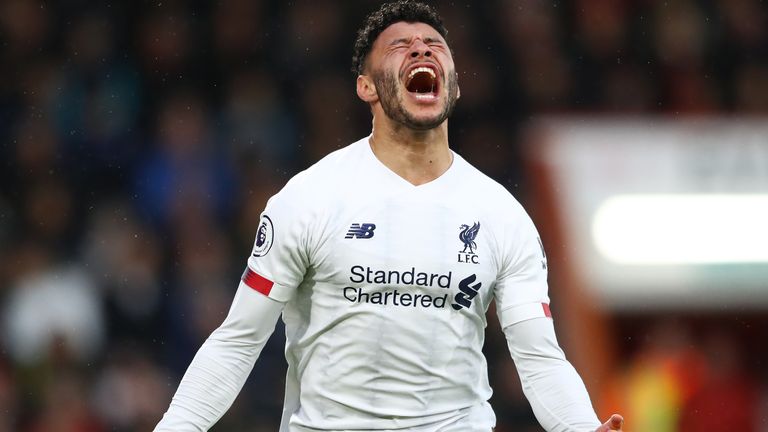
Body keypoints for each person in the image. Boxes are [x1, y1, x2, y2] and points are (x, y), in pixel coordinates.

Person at [155, 1, 625, 431]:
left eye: (434, 45)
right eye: (401, 45)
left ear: (454, 84)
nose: (421, 48)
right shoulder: (310, 198)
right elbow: (237, 342)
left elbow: (539, 358)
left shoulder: (502, 215)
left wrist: (582, 428)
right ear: (366, 86)